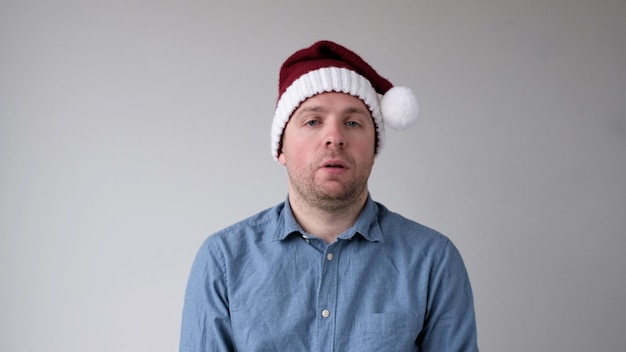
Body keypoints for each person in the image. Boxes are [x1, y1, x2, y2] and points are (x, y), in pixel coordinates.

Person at [179, 40, 479, 351]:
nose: (334, 137)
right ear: (281, 148)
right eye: (312, 121)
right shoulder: (223, 259)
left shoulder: (433, 259)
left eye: (352, 123)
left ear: (374, 148)